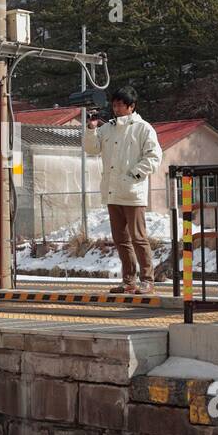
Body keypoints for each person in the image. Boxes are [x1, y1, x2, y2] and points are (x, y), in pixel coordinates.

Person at [83, 86, 163, 294]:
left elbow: (154, 157)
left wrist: (134, 175)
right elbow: (91, 149)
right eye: (115, 104)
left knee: (138, 238)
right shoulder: (107, 128)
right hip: (112, 192)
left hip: (133, 193)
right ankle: (129, 281)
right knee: (120, 240)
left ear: (131, 106)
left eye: (121, 104)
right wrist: (91, 129)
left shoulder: (143, 128)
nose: (116, 108)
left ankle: (147, 280)